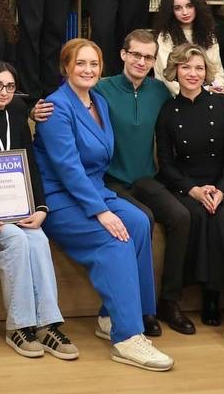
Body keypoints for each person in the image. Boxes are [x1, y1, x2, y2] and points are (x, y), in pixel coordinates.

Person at [36, 39, 173, 372]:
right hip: (61, 198)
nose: (88, 70)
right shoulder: (55, 107)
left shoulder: (98, 100)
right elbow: (68, 169)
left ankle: (112, 317)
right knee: (116, 239)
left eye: (94, 64)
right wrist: (102, 212)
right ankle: (128, 337)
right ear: (66, 67)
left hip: (95, 189)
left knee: (139, 222)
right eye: (80, 63)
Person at [0, 61, 78, 360]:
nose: (4, 92)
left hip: (18, 205)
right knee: (15, 240)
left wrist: (41, 207)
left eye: (10, 87)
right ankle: (18, 326)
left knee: (38, 238)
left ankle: (47, 325)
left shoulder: (17, 117)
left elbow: (30, 165)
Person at [156, 44, 224, 349]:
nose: (192, 73)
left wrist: (222, 190)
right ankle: (209, 293)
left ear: (206, 72)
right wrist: (193, 190)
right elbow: (167, 164)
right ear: (175, 71)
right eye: (186, 67)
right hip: (188, 187)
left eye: (198, 68)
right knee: (198, 215)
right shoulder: (168, 111)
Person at [96, 29, 191, 336]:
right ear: (123, 54)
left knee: (181, 216)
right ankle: (141, 307)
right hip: (111, 180)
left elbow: (189, 105)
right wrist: (38, 109)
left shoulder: (160, 91)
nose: (141, 62)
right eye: (135, 54)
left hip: (146, 178)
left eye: (148, 57)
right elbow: (69, 102)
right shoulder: (102, 88)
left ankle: (169, 301)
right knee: (144, 219)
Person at [152, 0, 224, 95]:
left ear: (197, 7)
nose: (185, 12)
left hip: (208, 96)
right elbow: (168, 77)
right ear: (171, 11)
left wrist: (219, 89)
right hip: (175, 97)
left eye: (189, 6)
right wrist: (204, 91)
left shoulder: (208, 35)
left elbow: (217, 71)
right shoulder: (165, 37)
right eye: (178, 8)